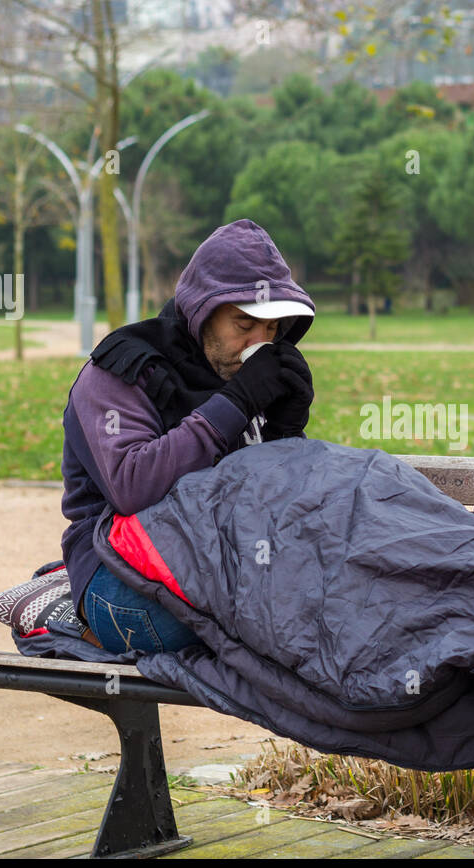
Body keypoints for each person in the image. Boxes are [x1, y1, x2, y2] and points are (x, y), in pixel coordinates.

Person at [58, 219, 315, 654]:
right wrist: (234, 405)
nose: (259, 342)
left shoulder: (237, 372)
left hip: (225, 565)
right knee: (236, 622)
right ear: (201, 312)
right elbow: (131, 488)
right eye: (244, 324)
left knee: (337, 592)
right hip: (118, 573)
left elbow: (280, 511)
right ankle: (67, 618)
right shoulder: (120, 370)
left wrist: (285, 432)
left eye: (271, 330)